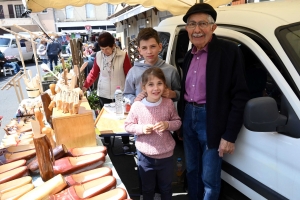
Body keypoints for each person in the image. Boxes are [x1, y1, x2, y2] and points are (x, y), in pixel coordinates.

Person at [178, 3, 249, 199]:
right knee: (192, 170)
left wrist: (230, 135)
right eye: (192, 24)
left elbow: (240, 95)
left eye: (203, 23)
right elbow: (185, 91)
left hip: (212, 119)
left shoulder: (229, 52)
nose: (197, 29)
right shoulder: (189, 55)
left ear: (213, 27)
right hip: (189, 118)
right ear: (187, 29)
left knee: (209, 176)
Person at [124, 67, 182, 200]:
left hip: (166, 156)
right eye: (151, 84)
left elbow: (177, 122)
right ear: (143, 87)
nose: (156, 88)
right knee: (147, 188)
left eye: (159, 83)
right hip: (145, 157)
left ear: (165, 85)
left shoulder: (168, 103)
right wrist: (142, 129)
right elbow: (128, 125)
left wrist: (168, 125)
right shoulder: (137, 106)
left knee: (166, 187)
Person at [82, 32, 132, 150]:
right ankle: (107, 140)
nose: (105, 51)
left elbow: (129, 74)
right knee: (105, 117)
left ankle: (125, 142)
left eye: (107, 49)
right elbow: (94, 73)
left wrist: (131, 91)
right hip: (103, 91)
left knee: (122, 116)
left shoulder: (123, 55)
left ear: (113, 45)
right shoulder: (98, 56)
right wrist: (85, 86)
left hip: (120, 91)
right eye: (102, 49)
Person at [123, 27, 181, 104]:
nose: (149, 51)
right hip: (142, 114)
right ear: (139, 50)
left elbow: (181, 93)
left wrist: (173, 94)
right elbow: (126, 94)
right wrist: (134, 100)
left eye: (153, 46)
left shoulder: (171, 70)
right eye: (144, 48)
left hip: (165, 114)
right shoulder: (133, 71)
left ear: (160, 47)